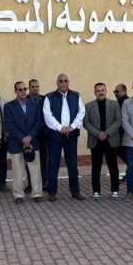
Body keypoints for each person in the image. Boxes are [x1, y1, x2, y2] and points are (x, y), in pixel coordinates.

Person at [43, 73, 86, 201]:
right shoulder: (49, 97)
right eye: (61, 81)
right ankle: (52, 192)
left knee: (72, 164)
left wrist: (72, 127)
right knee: (53, 164)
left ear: (69, 82)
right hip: (55, 136)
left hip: (71, 136)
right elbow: (47, 114)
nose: (63, 83)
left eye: (66, 80)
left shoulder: (76, 96)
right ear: (57, 83)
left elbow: (81, 112)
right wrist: (60, 127)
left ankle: (75, 191)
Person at [4, 81, 43, 203]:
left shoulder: (34, 104)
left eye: (25, 89)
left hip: (33, 141)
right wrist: (22, 138)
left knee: (35, 170)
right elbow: (9, 125)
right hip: (16, 143)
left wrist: (30, 136)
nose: (23, 91)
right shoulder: (9, 106)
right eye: (20, 89)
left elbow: (38, 122)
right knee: (17, 170)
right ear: (15, 91)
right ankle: (18, 195)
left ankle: (37, 193)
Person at [84, 82, 121, 200]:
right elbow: (86, 123)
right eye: (98, 91)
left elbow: (118, 121)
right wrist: (98, 133)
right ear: (95, 92)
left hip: (111, 139)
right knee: (96, 167)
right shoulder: (89, 106)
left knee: (113, 166)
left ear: (106, 91)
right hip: (96, 140)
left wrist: (107, 133)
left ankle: (115, 190)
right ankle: (96, 191)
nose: (100, 92)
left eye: (102, 90)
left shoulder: (114, 104)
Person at [27, 78, 48, 187]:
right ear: (29, 88)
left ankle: (44, 183)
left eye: (37, 87)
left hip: (44, 134)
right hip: (30, 134)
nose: (35, 89)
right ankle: (31, 184)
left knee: (44, 159)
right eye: (33, 87)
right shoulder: (24, 100)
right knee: (30, 158)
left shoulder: (45, 99)